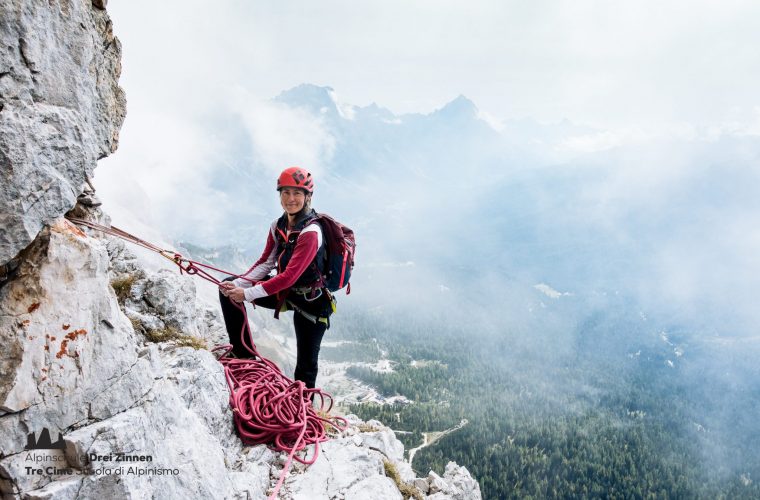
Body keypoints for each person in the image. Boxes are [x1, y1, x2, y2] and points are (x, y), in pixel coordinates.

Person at [218, 166, 334, 390]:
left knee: (305, 368)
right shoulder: (278, 225)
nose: (291, 199)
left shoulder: (311, 232)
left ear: (308, 197)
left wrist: (248, 293)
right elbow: (266, 263)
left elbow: (289, 276)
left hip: (312, 302)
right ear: (279, 195)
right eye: (286, 193)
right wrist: (238, 284)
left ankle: (304, 413)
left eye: (297, 193)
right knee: (229, 292)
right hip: (287, 293)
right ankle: (243, 357)